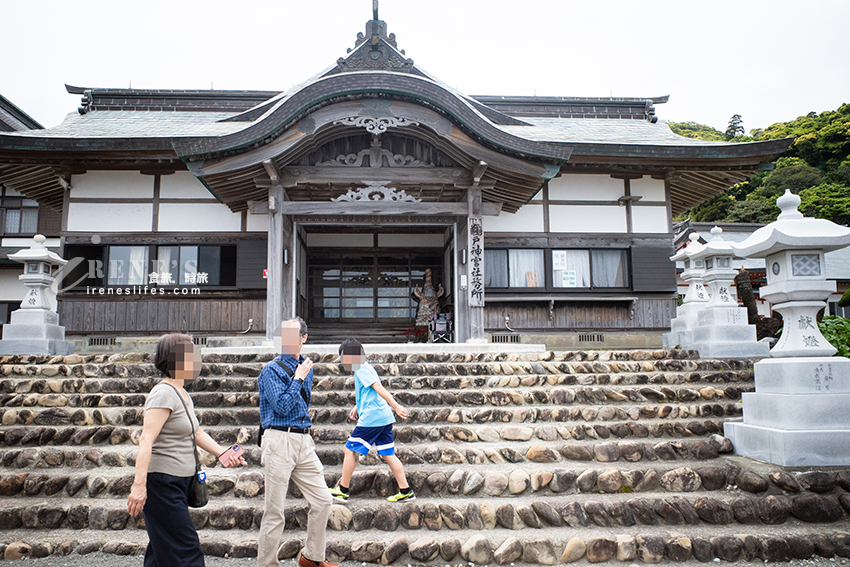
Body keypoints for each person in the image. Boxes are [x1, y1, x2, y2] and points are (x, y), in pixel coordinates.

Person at [127, 333, 246, 567]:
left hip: (180, 481)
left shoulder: (181, 392)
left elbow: (196, 432)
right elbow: (146, 440)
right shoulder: (162, 393)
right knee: (186, 549)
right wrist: (139, 486)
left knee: (162, 548)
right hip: (162, 483)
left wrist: (223, 453)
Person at [257, 317, 337, 567]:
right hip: (279, 439)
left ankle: (312, 557)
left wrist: (302, 375)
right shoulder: (271, 369)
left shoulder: (306, 367)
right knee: (274, 511)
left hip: (304, 440)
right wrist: (298, 378)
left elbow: (302, 404)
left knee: (323, 500)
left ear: (303, 338)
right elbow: (281, 407)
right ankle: (267, 564)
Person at [329, 338, 414, 503]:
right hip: (382, 417)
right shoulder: (364, 366)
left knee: (349, 450)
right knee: (388, 454)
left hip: (373, 418)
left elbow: (378, 388)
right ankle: (406, 491)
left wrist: (396, 406)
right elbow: (369, 393)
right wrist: (357, 406)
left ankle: (342, 490)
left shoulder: (360, 367)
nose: (344, 362)